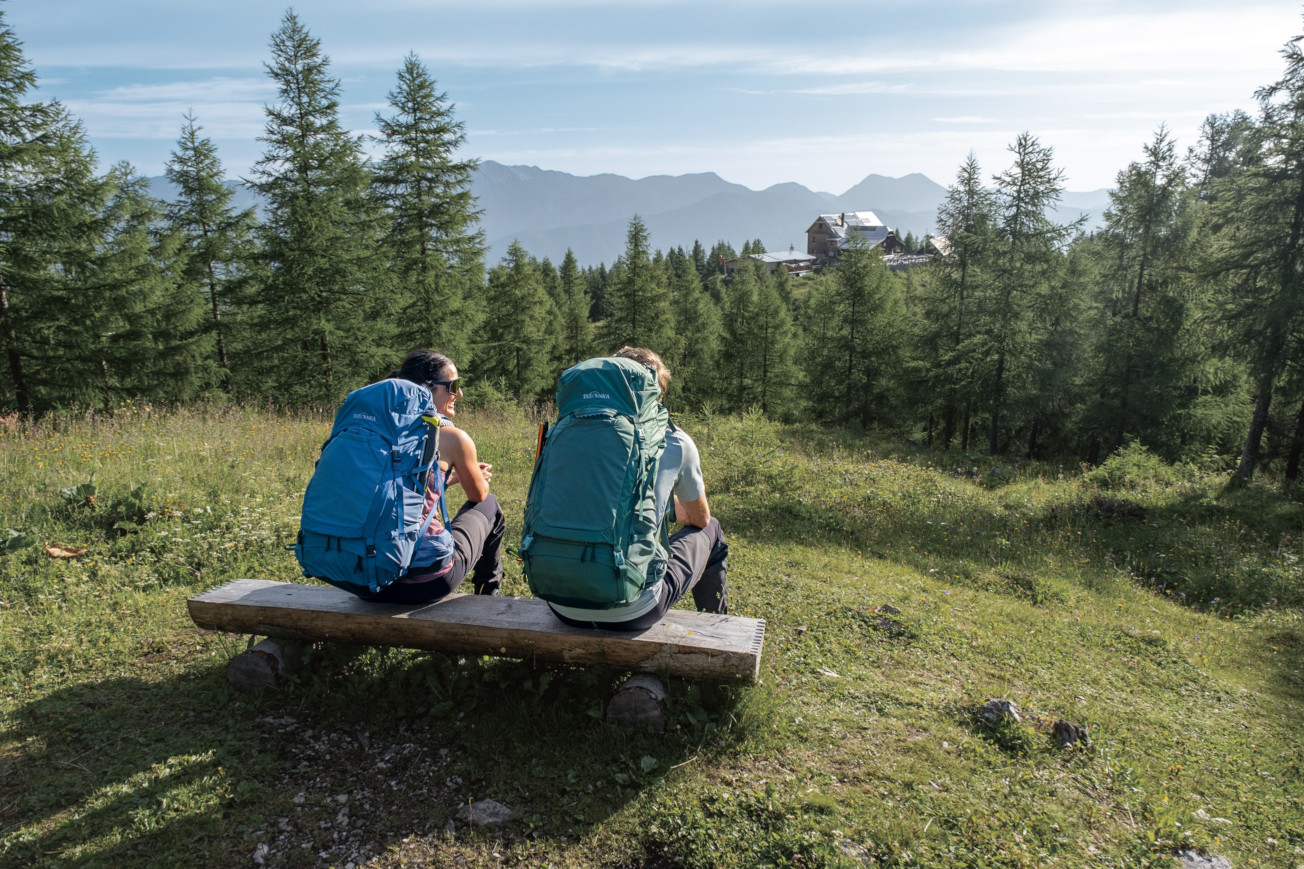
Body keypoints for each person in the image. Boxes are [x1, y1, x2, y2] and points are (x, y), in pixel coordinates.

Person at [548, 346, 729, 630]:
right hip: (632, 610)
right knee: (712, 530)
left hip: (559, 601)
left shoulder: (567, 430)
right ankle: (718, 629)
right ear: (655, 393)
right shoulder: (676, 441)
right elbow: (697, 519)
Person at [360, 349, 505, 604]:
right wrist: (473, 475)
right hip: (424, 583)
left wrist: (448, 479)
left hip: (360, 580)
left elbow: (391, 491)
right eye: (453, 386)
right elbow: (478, 494)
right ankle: (488, 595)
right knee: (489, 504)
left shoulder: (371, 430)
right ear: (427, 389)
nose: (459, 394)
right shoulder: (451, 437)